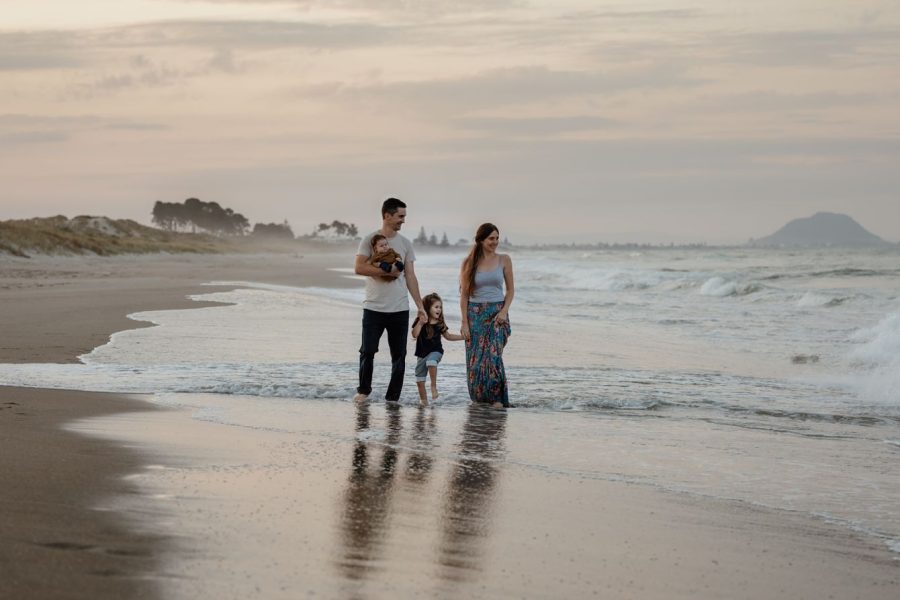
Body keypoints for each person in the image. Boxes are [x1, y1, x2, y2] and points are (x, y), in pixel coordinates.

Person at [353, 198, 426, 404]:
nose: (403, 221)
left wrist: (420, 306)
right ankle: (363, 391)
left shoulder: (405, 244)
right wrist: (390, 272)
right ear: (387, 215)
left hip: (399, 309)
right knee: (367, 351)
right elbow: (359, 268)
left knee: (399, 356)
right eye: (400, 216)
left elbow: (410, 276)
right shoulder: (369, 240)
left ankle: (392, 398)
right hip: (374, 307)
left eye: (404, 216)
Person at [459, 223, 515, 409]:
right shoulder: (468, 263)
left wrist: (504, 311)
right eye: (491, 238)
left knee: (493, 357)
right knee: (475, 361)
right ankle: (480, 400)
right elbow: (464, 295)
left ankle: (498, 399)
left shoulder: (504, 259)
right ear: (481, 240)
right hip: (474, 314)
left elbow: (511, 290)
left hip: (497, 314)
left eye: (497, 238)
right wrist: (464, 323)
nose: (495, 242)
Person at [411, 292, 464, 407]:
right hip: (421, 354)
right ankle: (424, 403)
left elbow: (448, 336)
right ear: (427, 308)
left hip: (436, 352)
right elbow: (414, 335)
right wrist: (420, 323)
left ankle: (433, 387)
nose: (439, 309)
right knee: (419, 381)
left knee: (431, 361)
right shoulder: (420, 321)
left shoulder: (440, 323)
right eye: (436, 307)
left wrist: (463, 337)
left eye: (440, 307)